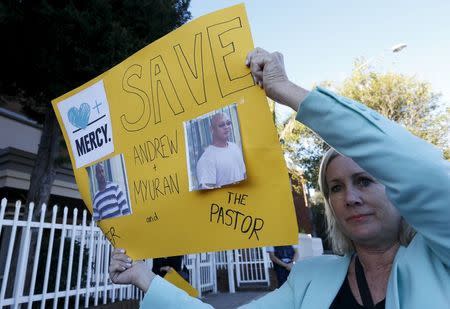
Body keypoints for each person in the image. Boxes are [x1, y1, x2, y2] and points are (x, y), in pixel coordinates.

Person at [109, 48, 449, 308]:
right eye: (335, 187)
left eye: (364, 181)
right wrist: (142, 276)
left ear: (397, 186)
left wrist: (285, 90)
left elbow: (426, 169)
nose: (351, 197)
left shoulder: (439, 257)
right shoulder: (310, 279)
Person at [196, 112, 246, 189]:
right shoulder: (207, 158)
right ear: (212, 129)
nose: (226, 127)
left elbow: (244, 175)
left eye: (228, 123)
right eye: (221, 125)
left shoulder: (235, 147)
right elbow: (208, 194)